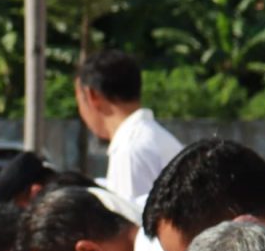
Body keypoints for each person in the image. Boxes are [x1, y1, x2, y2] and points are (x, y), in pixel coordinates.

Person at [73, 48, 185, 206]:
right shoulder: (150, 136)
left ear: (92, 96)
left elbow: (135, 223)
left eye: (78, 99)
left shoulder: (131, 150)